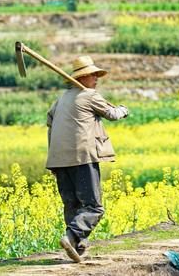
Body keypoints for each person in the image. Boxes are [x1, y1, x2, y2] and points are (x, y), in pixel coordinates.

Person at [46, 55, 129, 263]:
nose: (96, 78)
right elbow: (112, 114)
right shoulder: (90, 95)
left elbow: (50, 123)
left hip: (58, 159)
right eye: (92, 74)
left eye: (96, 74)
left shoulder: (60, 100)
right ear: (82, 78)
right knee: (93, 207)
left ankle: (77, 245)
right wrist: (123, 109)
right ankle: (72, 237)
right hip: (82, 157)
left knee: (72, 205)